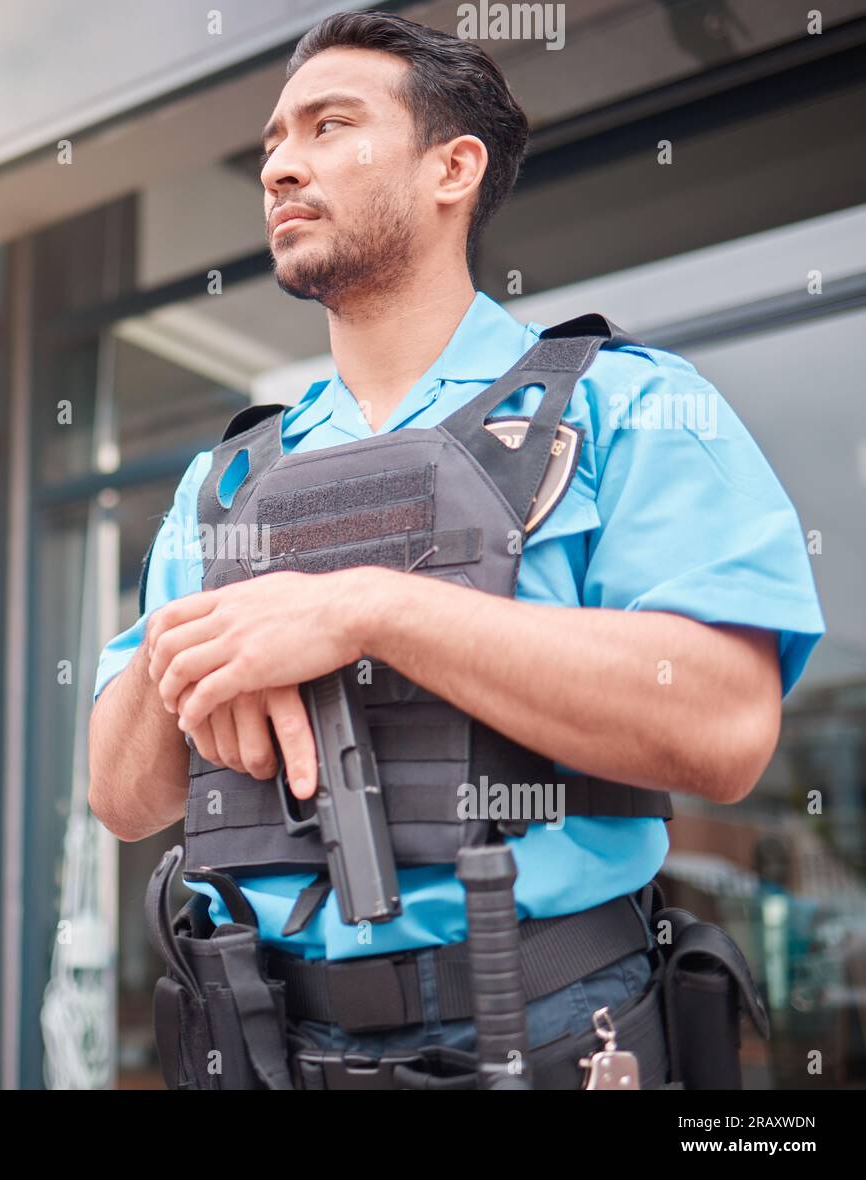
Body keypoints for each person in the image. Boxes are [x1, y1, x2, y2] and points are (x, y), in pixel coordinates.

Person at [87, 10, 824, 1089]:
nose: (283, 166)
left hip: (544, 1033)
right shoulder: (225, 482)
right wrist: (188, 647)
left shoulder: (628, 410)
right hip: (259, 1043)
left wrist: (369, 610)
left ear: (453, 168)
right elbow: (123, 800)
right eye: (271, 147)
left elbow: (722, 726)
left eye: (329, 126)